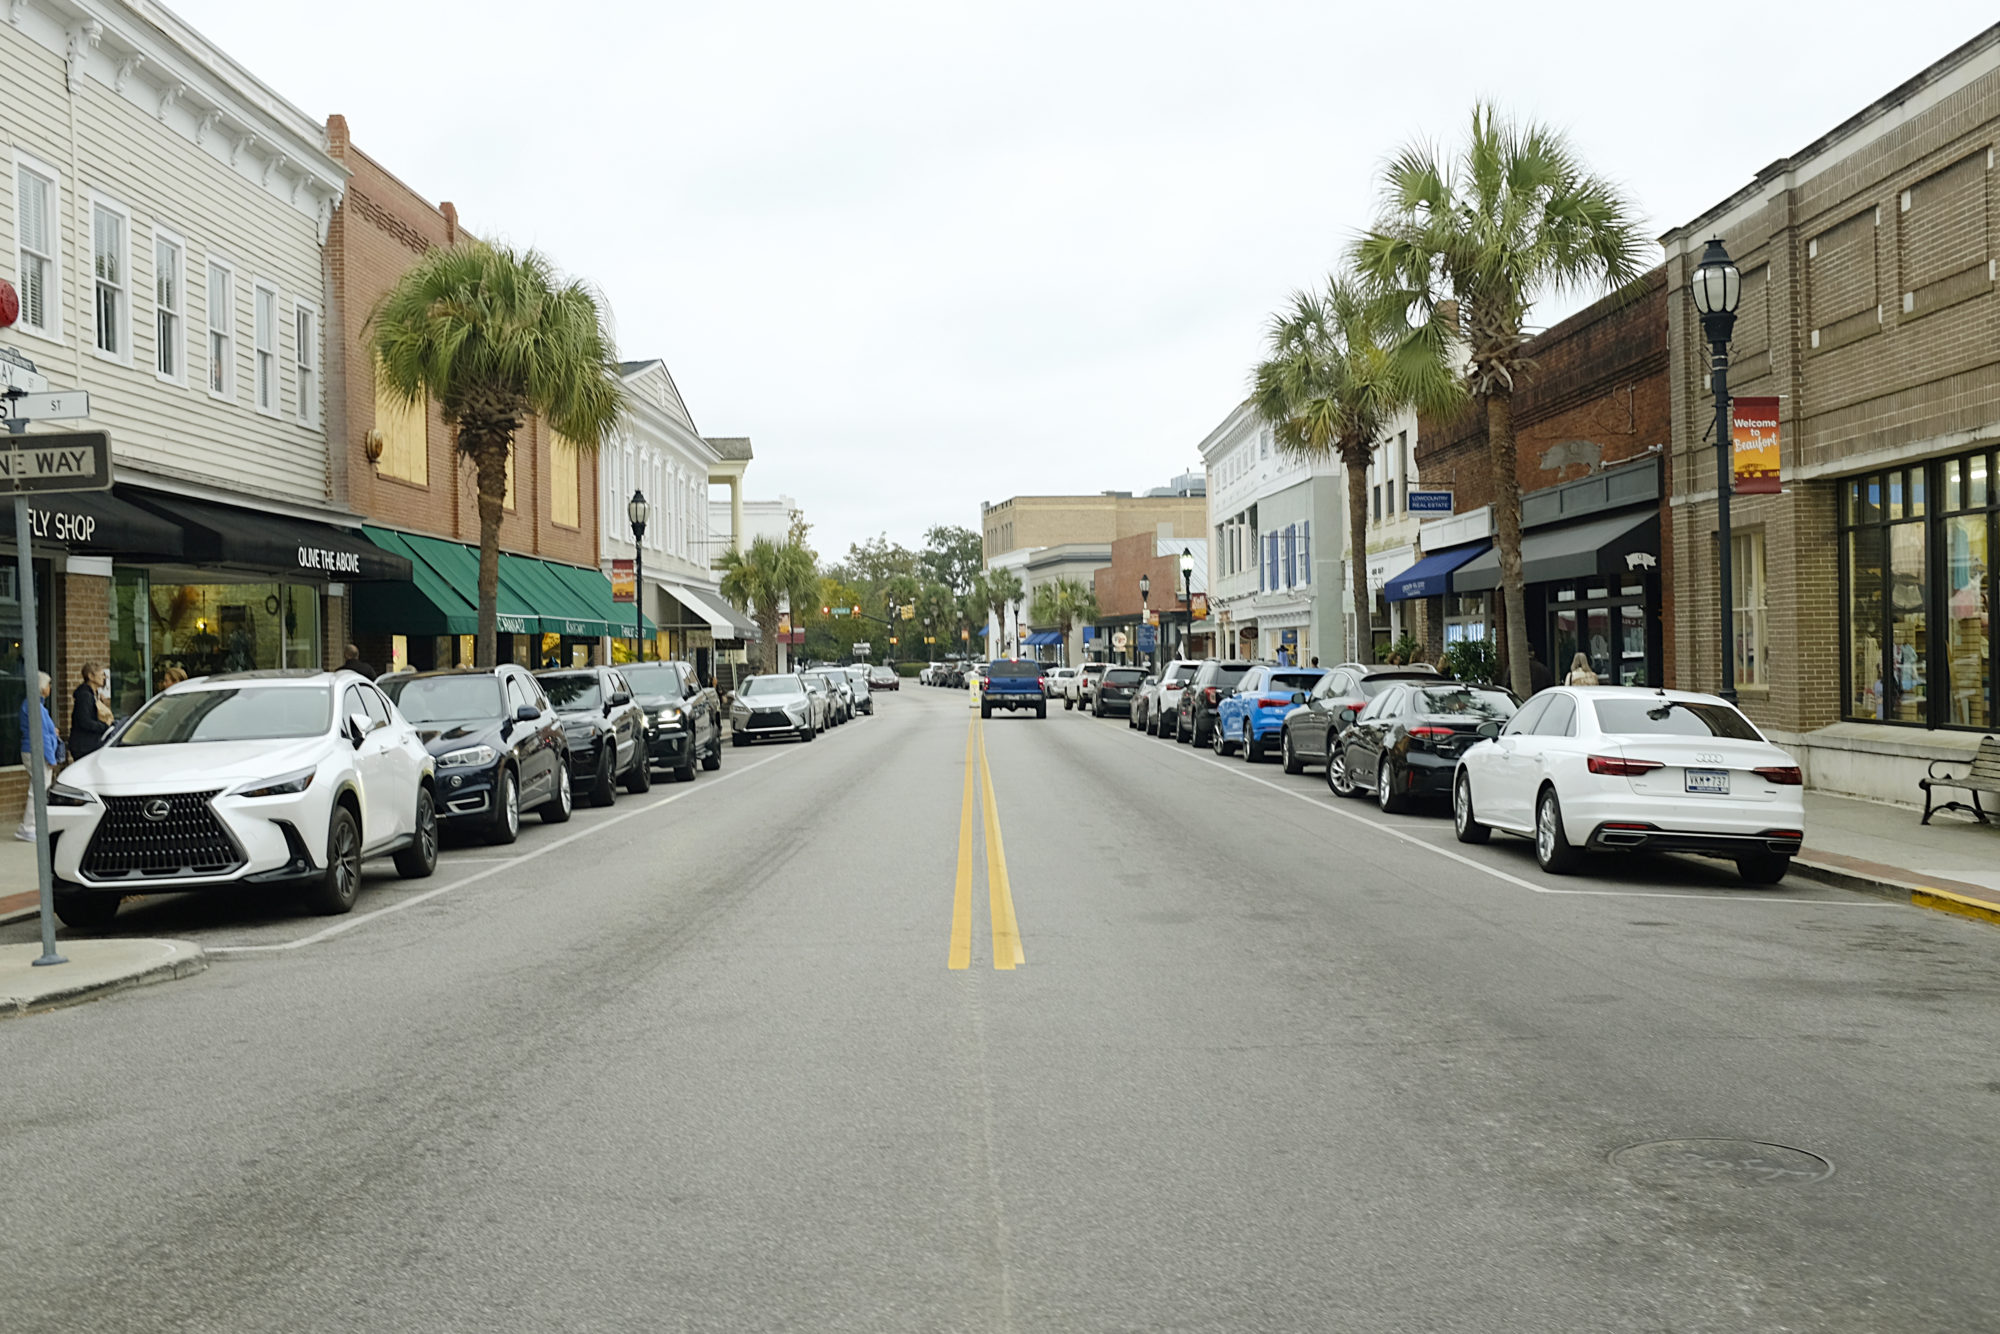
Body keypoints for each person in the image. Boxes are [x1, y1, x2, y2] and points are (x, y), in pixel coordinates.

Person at [15, 671, 61, 842]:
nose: (50, 688)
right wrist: (51, 759)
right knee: (38, 790)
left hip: (33, 750)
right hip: (37, 752)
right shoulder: (35, 706)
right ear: (42, 688)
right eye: (48, 685)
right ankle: (29, 827)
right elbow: (41, 736)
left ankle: (31, 826)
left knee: (38, 789)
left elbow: (44, 731)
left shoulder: (35, 705)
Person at [69, 662, 113, 759]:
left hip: (88, 743)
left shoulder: (94, 695)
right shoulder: (85, 696)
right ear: (91, 676)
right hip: (83, 745)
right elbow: (84, 721)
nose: (104, 678)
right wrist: (104, 726)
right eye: (101, 675)